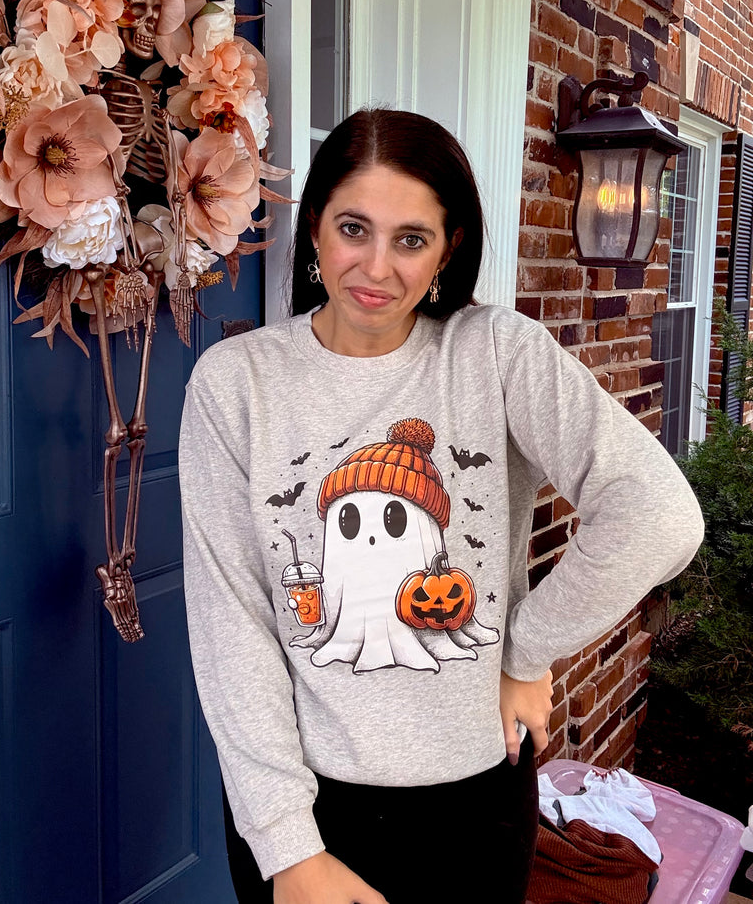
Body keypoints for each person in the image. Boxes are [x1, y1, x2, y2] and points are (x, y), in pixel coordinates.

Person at [179, 108, 703, 904]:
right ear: (314, 226)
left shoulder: (495, 354)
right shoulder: (236, 384)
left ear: (448, 249)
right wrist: (288, 847)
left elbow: (659, 512)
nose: (377, 266)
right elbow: (233, 625)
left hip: (475, 806)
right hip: (306, 808)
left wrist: (527, 649)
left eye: (411, 239)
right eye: (354, 227)